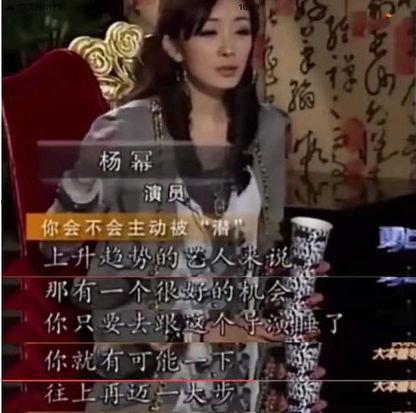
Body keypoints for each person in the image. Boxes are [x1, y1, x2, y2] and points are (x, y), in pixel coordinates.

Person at [41, 0, 329, 411]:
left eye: (242, 30)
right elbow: (54, 245)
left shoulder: (268, 130)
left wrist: (286, 287)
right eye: (209, 32)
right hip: (151, 386)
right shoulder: (127, 132)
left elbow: (257, 263)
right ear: (174, 47)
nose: (229, 48)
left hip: (241, 383)